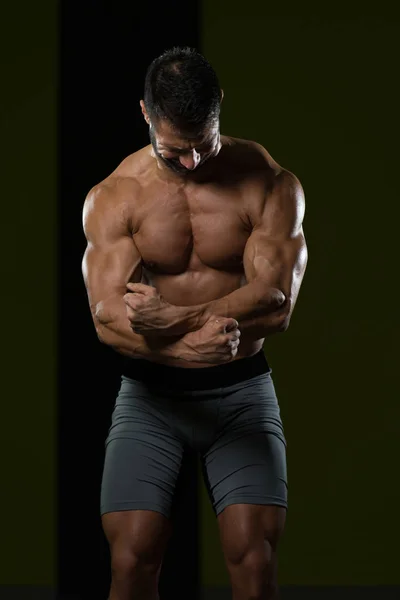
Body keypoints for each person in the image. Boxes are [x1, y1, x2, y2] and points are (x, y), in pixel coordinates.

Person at [82, 46, 307, 600]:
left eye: (201, 147)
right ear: (144, 113)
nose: (191, 164)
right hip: (151, 400)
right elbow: (107, 320)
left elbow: (276, 303)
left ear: (220, 109)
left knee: (254, 562)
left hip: (241, 394)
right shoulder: (114, 198)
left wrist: (175, 318)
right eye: (173, 151)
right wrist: (189, 353)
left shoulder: (270, 184)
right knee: (131, 560)